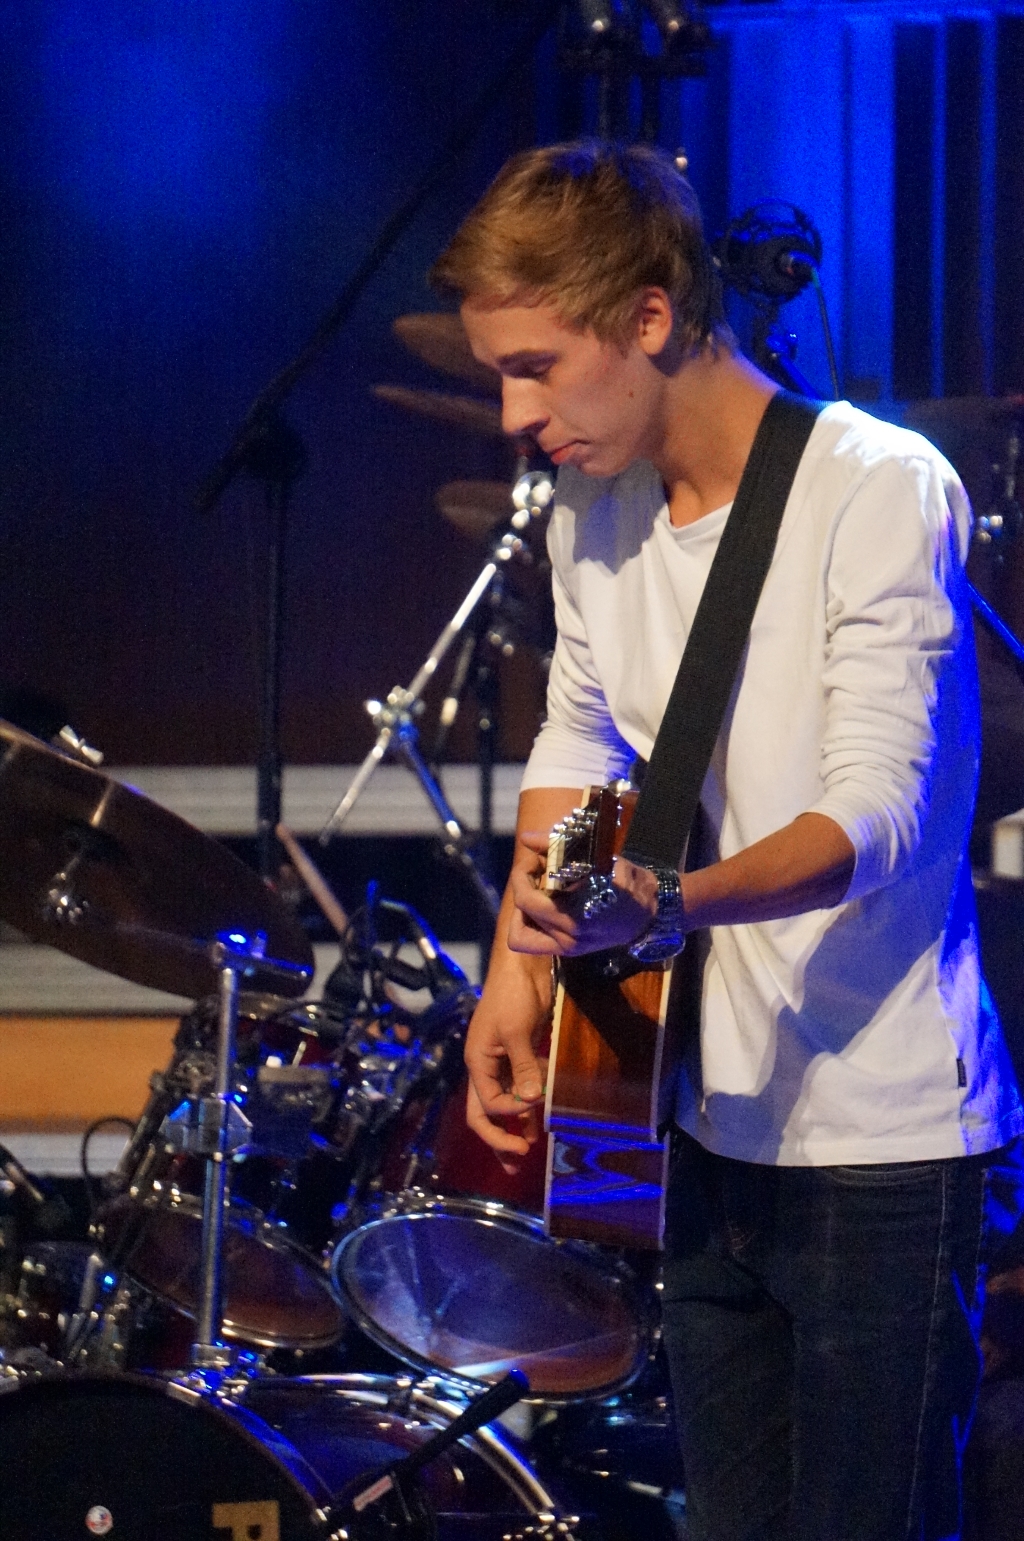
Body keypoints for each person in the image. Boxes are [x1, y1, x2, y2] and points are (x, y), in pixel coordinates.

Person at [429, 140, 1024, 1540]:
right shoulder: (598, 512)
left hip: (884, 1140)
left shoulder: (876, 486)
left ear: (649, 316)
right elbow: (578, 741)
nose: (514, 414)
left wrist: (674, 901)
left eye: (536, 367)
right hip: (701, 1113)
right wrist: (516, 971)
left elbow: (882, 813)